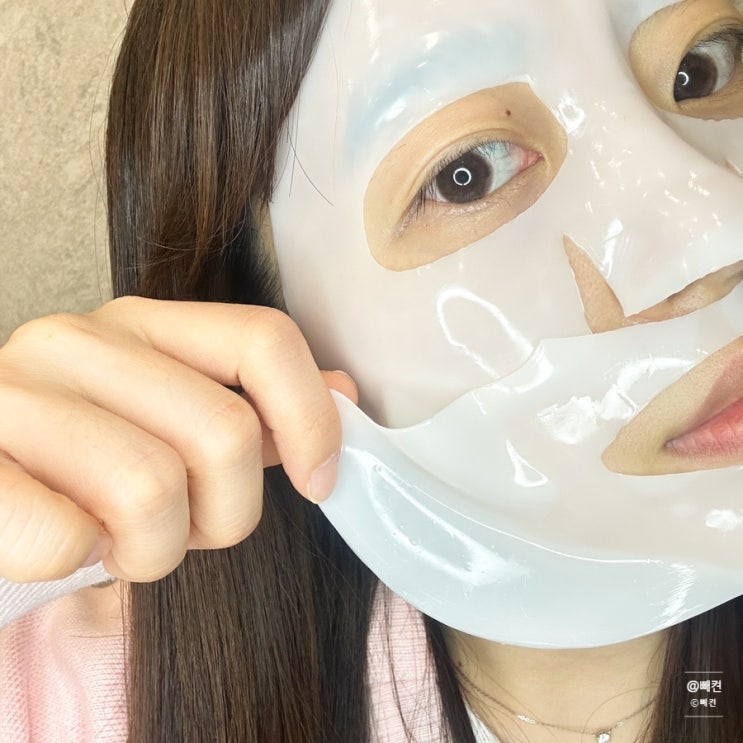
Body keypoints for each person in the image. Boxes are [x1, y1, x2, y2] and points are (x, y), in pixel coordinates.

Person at [1, 0, 743, 741]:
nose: (722, 224)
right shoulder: (74, 701)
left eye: (703, 68)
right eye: (466, 175)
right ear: (246, 317)